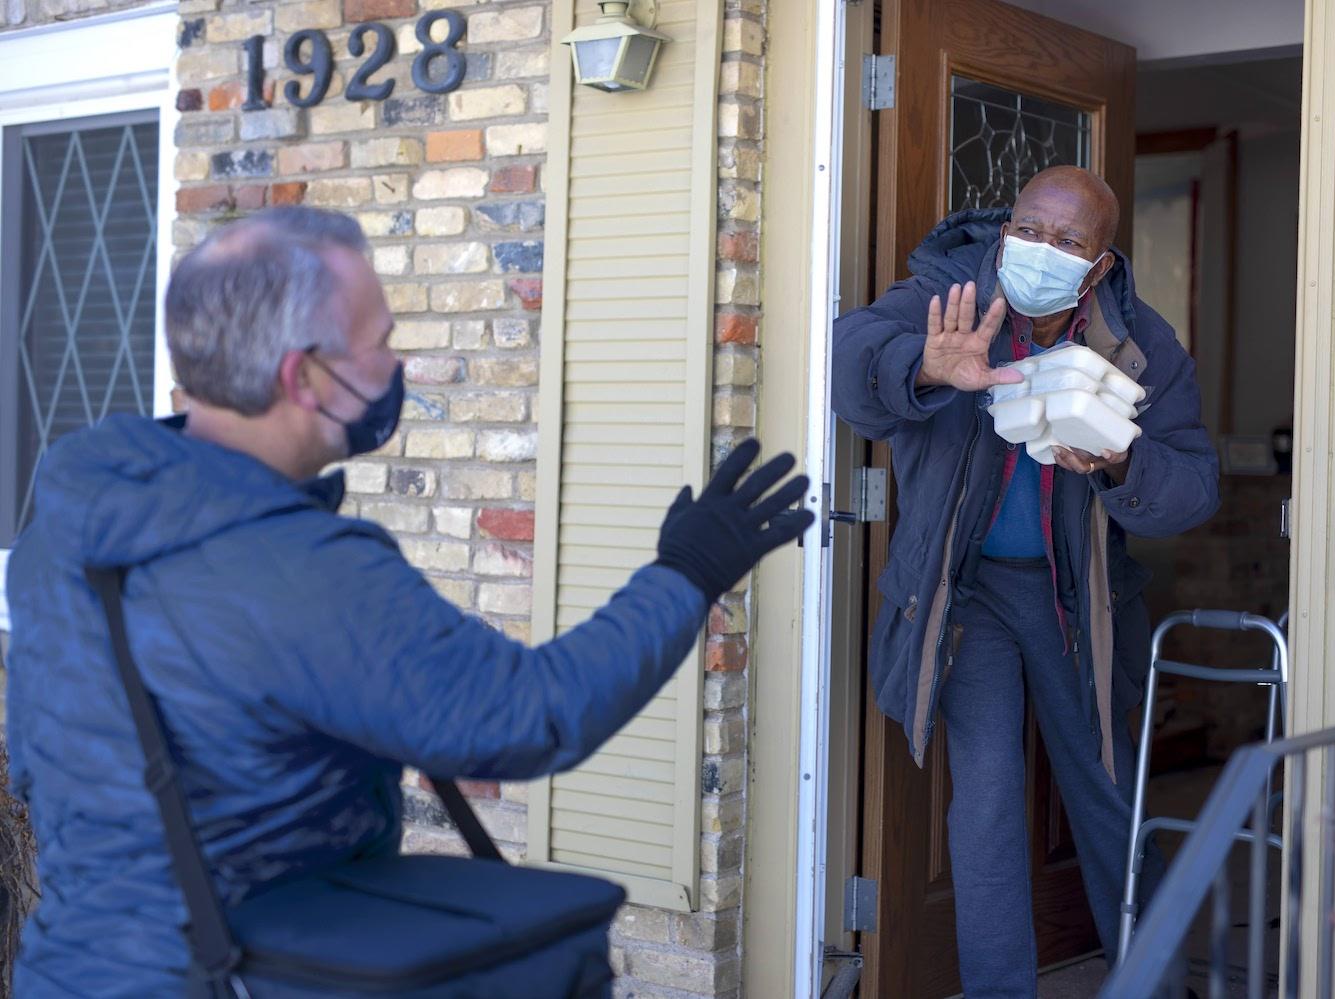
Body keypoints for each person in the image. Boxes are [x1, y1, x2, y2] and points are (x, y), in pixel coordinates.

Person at [3, 206, 814, 997]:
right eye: (381, 342)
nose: (397, 365)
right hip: (255, 973)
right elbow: (531, 715)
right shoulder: (299, 570)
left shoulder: (63, 531)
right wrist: (689, 570)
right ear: (304, 376)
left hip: (74, 964)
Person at [832, 166, 1219, 997]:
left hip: (1082, 604)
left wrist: (1122, 460)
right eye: (1030, 230)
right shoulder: (947, 295)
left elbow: (1194, 486)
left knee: (1108, 792)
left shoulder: (1137, 339)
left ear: (1101, 262)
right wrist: (928, 368)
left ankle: (1151, 982)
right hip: (966, 597)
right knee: (986, 807)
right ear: (1007, 228)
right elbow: (848, 362)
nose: (1042, 251)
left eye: (1069, 242)